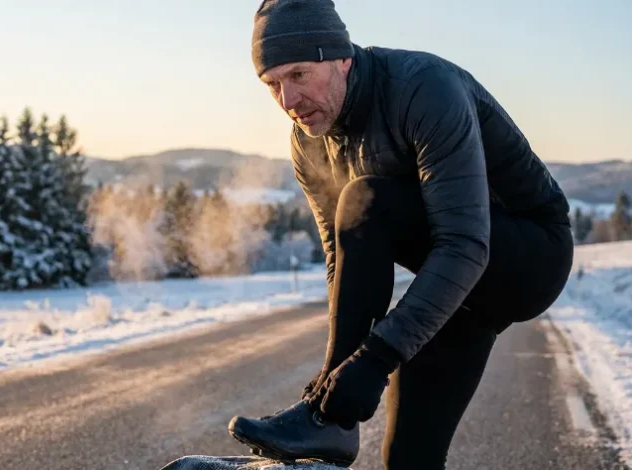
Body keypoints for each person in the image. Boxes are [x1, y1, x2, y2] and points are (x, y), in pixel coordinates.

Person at [227, 0, 575, 468]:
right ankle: (330, 426)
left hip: (529, 255)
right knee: (409, 458)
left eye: (299, 75)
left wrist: (373, 361)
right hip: (456, 289)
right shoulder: (308, 141)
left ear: (341, 57)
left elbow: (465, 243)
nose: (287, 101)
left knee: (365, 198)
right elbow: (343, 258)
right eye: (273, 85)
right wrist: (335, 385)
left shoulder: (423, 88)